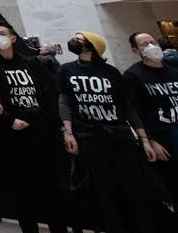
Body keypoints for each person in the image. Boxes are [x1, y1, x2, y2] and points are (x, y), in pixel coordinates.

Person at [0, 21, 67, 233]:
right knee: (23, 191)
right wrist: (7, 119)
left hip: (40, 131)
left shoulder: (29, 63)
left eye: (2, 33)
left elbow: (47, 94)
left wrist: (58, 126)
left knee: (52, 187)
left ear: (13, 38)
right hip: (12, 136)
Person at [58, 31, 155, 233]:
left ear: (92, 45)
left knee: (131, 186)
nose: (75, 42)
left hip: (119, 135)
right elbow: (64, 101)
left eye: (80, 39)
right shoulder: (67, 70)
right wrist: (68, 132)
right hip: (89, 137)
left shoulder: (111, 72)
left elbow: (126, 107)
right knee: (102, 189)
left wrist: (143, 138)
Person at [124, 32, 178, 227]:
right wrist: (150, 140)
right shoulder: (134, 76)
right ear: (135, 51)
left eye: (153, 42)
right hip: (164, 140)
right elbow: (134, 111)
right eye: (144, 44)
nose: (151, 46)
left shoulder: (175, 71)